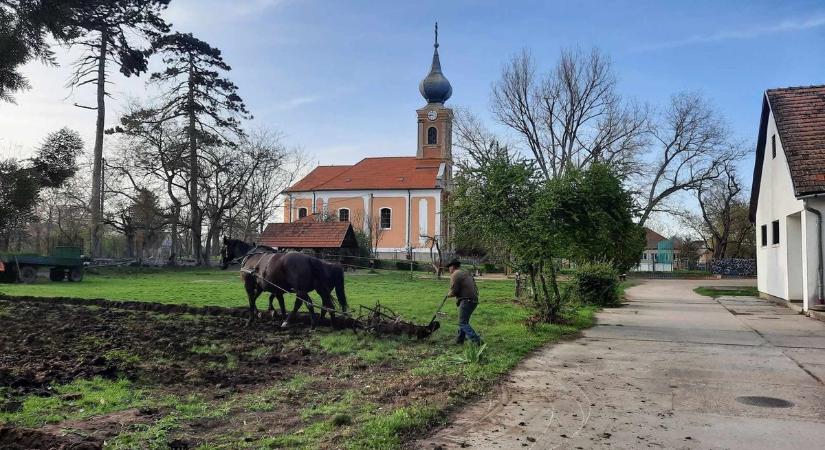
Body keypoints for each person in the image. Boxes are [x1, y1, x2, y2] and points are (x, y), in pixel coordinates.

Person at [446, 258, 481, 345]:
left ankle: (476, 340)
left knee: (462, 322)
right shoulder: (465, 272)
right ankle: (460, 340)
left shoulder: (455, 274)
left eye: (449, 267)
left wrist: (448, 294)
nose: (448, 269)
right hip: (473, 300)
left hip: (467, 300)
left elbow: (454, 291)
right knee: (464, 321)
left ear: (452, 267)